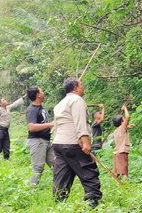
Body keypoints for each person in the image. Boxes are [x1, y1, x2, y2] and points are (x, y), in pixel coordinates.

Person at [52, 77, 102, 208]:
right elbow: (80, 122)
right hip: (73, 143)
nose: (83, 87)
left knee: (62, 174)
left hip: (58, 143)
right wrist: (85, 142)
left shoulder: (60, 103)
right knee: (88, 170)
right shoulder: (77, 100)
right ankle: (92, 202)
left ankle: (59, 204)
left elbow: (56, 126)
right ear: (75, 87)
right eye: (81, 85)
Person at [25, 86, 55, 185]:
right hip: (37, 141)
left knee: (56, 165)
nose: (43, 92)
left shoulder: (41, 107)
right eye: (41, 91)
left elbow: (43, 122)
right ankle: (32, 190)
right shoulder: (32, 110)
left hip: (46, 141)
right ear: (38, 95)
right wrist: (50, 124)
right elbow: (31, 127)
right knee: (38, 167)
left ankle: (60, 188)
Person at [0, 95, 25, 161]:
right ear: (0, 103)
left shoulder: (8, 108)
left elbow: (15, 104)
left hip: (5, 130)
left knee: (6, 145)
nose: (5, 100)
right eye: (3, 100)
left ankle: (6, 160)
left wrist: (23, 97)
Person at [112, 105, 133, 179]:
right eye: (123, 120)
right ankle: (125, 183)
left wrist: (127, 127)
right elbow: (128, 117)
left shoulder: (116, 130)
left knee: (117, 170)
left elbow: (124, 128)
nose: (125, 120)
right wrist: (125, 108)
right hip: (122, 151)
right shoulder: (122, 127)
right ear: (121, 122)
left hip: (117, 152)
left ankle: (115, 183)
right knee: (124, 170)